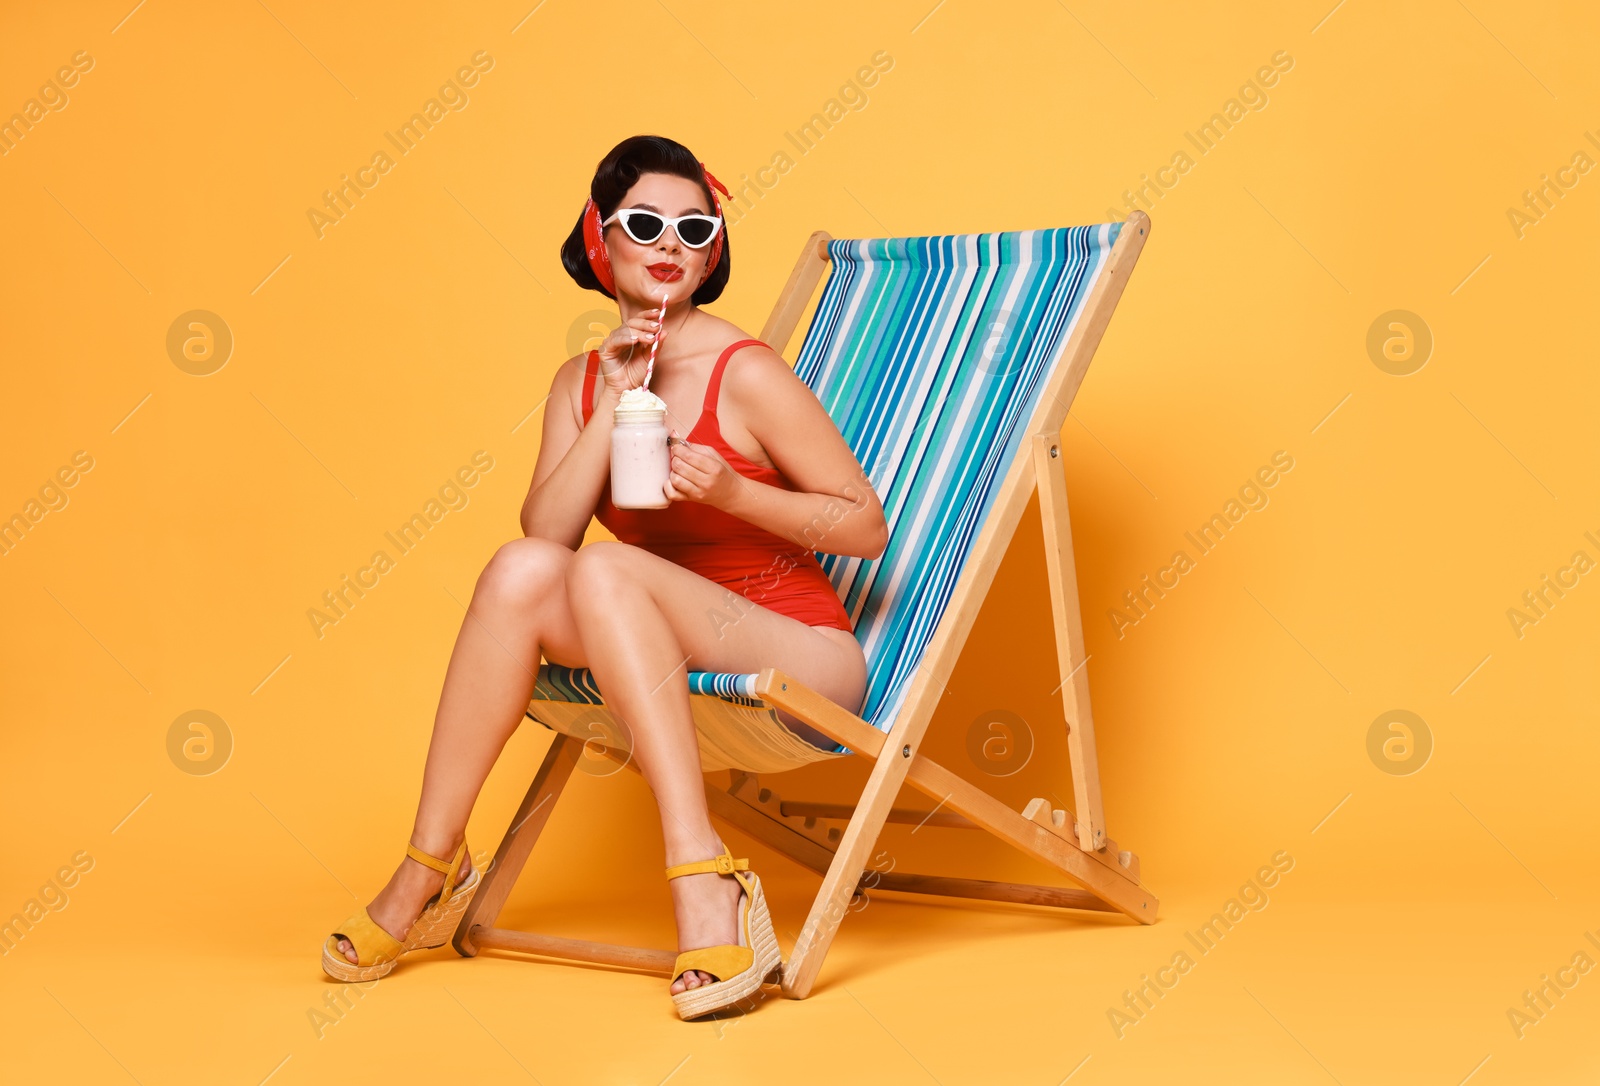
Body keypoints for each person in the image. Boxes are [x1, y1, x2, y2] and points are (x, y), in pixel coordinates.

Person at [321, 134, 887, 1019]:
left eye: (695, 229)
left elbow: (864, 525)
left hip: (799, 651)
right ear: (602, 241)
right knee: (522, 568)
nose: (671, 245)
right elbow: (546, 534)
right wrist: (615, 401)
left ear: (713, 254)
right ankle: (433, 864)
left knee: (608, 568)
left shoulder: (746, 373)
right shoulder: (577, 383)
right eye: (647, 223)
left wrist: (738, 493)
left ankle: (704, 876)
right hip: (648, 631)